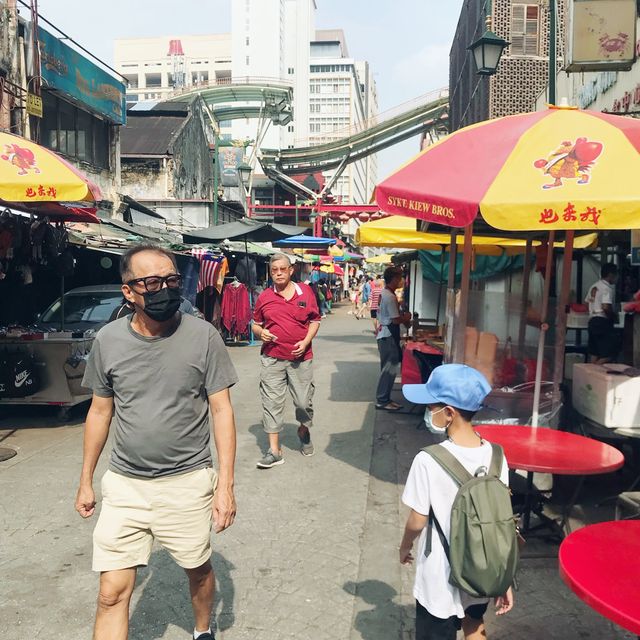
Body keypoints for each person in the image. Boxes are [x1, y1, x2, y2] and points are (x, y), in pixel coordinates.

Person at [75, 244, 238, 640]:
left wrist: (226, 488)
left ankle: (202, 629)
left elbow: (222, 410)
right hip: (125, 486)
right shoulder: (108, 340)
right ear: (129, 291)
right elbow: (99, 412)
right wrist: (85, 480)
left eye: (170, 280)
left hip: (186, 483)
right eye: (151, 282)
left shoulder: (204, 336)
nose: (163, 289)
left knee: (198, 571)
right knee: (111, 594)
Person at [399, 364, 514, 640]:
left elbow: (417, 520)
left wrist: (404, 547)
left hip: (440, 574)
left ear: (448, 413)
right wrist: (503, 577)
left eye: (431, 406)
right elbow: (502, 522)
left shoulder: (427, 459)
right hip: (481, 568)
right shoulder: (497, 456)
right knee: (474, 624)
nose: (428, 412)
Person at [252, 253, 321, 469]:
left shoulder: (306, 292)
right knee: (271, 402)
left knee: (303, 402)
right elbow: (255, 324)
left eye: (283, 269)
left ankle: (303, 428)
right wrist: (260, 332)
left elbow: (315, 320)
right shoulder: (264, 297)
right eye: (275, 270)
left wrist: (306, 340)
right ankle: (274, 451)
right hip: (271, 358)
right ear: (270, 272)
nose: (279, 273)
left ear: (291, 270)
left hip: (300, 358)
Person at [375, 267, 411, 411]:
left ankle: (385, 398)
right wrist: (406, 318)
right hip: (387, 336)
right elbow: (395, 320)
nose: (402, 280)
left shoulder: (385, 294)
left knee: (388, 369)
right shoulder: (389, 297)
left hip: (385, 334)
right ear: (394, 278)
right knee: (389, 370)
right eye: (400, 277)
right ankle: (382, 400)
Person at [585, 262, 620, 364]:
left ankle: (590, 376)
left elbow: (586, 303)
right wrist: (613, 316)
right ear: (611, 275)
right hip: (602, 322)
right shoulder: (607, 288)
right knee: (610, 354)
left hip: (592, 321)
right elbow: (605, 307)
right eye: (616, 275)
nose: (617, 278)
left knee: (594, 353)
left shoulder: (594, 286)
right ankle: (595, 372)